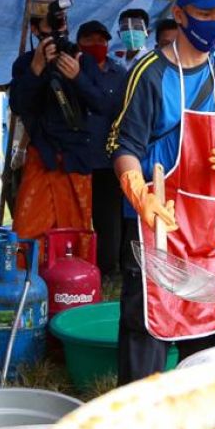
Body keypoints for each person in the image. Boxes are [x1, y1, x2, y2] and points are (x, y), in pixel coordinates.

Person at [108, 0, 215, 382]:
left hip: (209, 227)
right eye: (205, 14)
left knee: (208, 331)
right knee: (148, 330)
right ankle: (139, 419)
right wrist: (138, 191)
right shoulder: (150, 74)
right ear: (179, 15)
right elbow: (124, 147)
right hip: (157, 221)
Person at [9, 0, 100, 244]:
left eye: (61, 24)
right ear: (35, 30)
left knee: (75, 235)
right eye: (50, 25)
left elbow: (102, 105)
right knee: (28, 233)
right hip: (42, 158)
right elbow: (17, 105)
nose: (58, 31)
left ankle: (72, 281)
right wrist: (36, 70)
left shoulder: (83, 60)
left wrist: (79, 78)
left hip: (76, 159)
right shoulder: (25, 64)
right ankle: (30, 281)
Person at [76, 19, 126, 276]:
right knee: (78, 218)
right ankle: (78, 267)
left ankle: (107, 270)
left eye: (101, 40)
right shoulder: (71, 70)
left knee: (109, 219)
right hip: (76, 157)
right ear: (79, 43)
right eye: (90, 40)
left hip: (108, 158)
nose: (96, 45)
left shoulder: (120, 73)